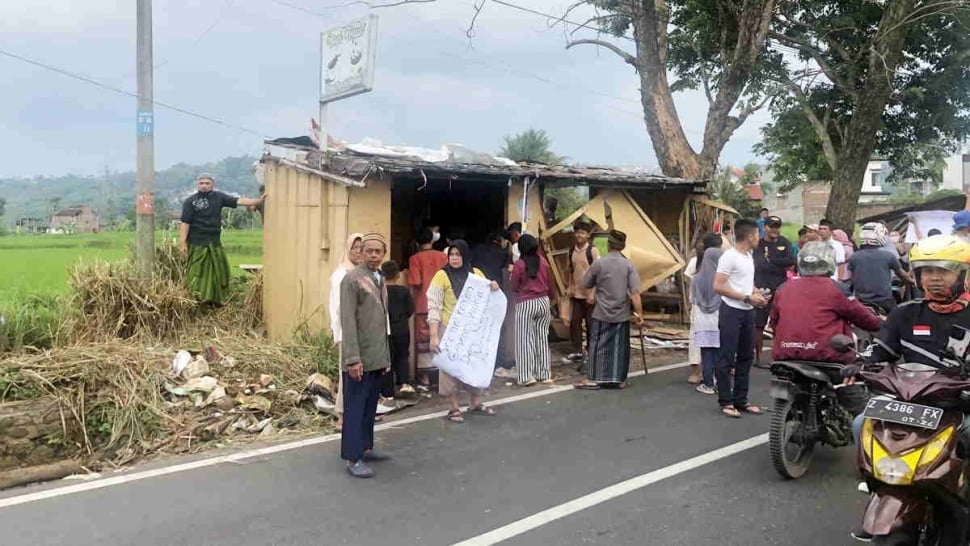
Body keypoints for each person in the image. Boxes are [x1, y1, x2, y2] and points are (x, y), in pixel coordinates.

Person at [844, 235, 970, 542]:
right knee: (861, 423)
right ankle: (880, 486)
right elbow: (881, 352)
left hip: (960, 405)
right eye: (927, 271)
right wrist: (858, 366)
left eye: (943, 271)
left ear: (964, 275)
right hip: (912, 403)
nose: (935, 278)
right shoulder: (906, 313)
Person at [770, 242, 882, 363]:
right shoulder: (836, 288)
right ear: (829, 262)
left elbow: (774, 322)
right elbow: (863, 318)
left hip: (785, 354)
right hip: (825, 356)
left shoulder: (783, 288)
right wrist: (880, 324)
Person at [427, 240, 500, 423]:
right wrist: (434, 335)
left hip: (471, 330)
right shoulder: (441, 276)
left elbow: (487, 297)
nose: (454, 258)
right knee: (449, 368)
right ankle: (453, 408)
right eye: (451, 254)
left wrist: (494, 287)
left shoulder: (476, 274)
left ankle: (475, 402)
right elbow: (434, 307)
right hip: (448, 329)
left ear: (465, 255)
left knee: (473, 364)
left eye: (458, 254)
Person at [339, 233, 393, 479]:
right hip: (359, 357)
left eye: (377, 251)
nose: (373, 255)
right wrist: (352, 359)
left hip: (376, 355)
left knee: (370, 406)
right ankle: (353, 456)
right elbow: (348, 322)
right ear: (360, 252)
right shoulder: (351, 280)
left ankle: (366, 447)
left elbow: (382, 322)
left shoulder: (380, 278)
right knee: (355, 407)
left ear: (383, 254)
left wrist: (385, 357)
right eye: (368, 250)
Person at [573, 230, 644, 390]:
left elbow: (586, 283)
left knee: (598, 346)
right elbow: (635, 293)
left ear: (608, 244)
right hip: (621, 314)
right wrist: (639, 314)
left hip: (601, 313)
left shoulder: (599, 263)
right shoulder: (629, 265)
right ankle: (619, 380)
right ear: (623, 246)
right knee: (620, 347)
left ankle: (594, 378)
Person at [713, 218, 769, 418]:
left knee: (746, 356)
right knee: (726, 357)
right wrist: (746, 297)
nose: (760, 238)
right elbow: (718, 286)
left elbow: (745, 281)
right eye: (758, 234)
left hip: (747, 311)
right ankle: (726, 401)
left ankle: (741, 400)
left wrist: (755, 293)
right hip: (731, 310)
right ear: (750, 236)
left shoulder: (748, 256)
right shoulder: (730, 256)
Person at [179, 173, 264, 305]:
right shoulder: (190, 202)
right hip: (197, 243)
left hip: (214, 242)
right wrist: (182, 243)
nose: (204, 186)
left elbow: (239, 201)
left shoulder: (219, 197)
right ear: (197, 184)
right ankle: (195, 299)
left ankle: (215, 300)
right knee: (197, 271)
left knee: (220, 271)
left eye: (207, 183)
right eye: (201, 183)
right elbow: (185, 223)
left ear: (212, 184)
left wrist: (258, 201)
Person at [510, 234, 557, 386]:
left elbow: (514, 286)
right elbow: (550, 282)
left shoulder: (519, 264)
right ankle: (544, 374)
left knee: (524, 340)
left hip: (526, 303)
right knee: (542, 339)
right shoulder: (543, 261)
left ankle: (526, 376)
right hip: (543, 302)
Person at [329, 232, 364, 433]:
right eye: (354, 248)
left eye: (361, 248)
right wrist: (340, 334)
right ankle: (342, 416)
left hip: (363, 333)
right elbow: (337, 307)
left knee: (361, 375)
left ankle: (355, 415)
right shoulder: (341, 275)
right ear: (347, 250)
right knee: (347, 375)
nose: (358, 252)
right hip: (348, 333)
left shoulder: (364, 274)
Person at [753, 215, 797, 368]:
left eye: (777, 226)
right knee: (758, 324)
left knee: (780, 323)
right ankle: (758, 357)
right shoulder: (758, 243)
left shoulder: (785, 242)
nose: (774, 229)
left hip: (780, 288)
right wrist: (777, 263)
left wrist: (771, 260)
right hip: (761, 288)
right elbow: (759, 264)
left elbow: (791, 261)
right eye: (771, 226)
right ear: (765, 227)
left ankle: (778, 355)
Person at [408, 228, 448, 391]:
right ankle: (442, 375)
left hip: (423, 304)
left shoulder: (415, 259)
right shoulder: (443, 257)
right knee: (443, 338)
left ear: (417, 243)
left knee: (423, 341)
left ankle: (425, 376)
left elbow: (415, 281)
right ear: (432, 240)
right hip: (443, 304)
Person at [472, 230, 516, 378]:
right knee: (496, 329)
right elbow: (510, 262)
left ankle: (478, 361)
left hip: (479, 294)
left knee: (480, 328)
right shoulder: (502, 253)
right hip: (496, 294)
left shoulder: (477, 250)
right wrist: (509, 247)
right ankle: (497, 361)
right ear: (500, 240)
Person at [850, 222, 914, 313]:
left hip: (861, 301)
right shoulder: (889, 256)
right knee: (898, 319)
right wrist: (914, 282)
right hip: (884, 301)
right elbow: (903, 276)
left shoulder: (854, 257)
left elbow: (852, 279)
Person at [686, 233, 722, 385]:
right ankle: (718, 377)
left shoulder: (696, 275)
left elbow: (691, 292)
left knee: (704, 348)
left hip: (700, 312)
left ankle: (705, 379)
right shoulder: (722, 264)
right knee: (717, 347)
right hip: (717, 312)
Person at [565, 221, 600, 363]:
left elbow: (598, 273)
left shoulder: (592, 250)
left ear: (588, 235)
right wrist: (569, 287)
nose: (579, 235)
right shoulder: (571, 250)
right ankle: (577, 351)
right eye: (577, 232)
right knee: (575, 324)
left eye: (583, 233)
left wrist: (592, 294)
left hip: (590, 294)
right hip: (577, 294)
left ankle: (592, 351)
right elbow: (570, 271)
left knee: (591, 324)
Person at [381, 260, 415, 398]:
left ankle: (388, 391)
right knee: (402, 356)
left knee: (387, 359)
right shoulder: (404, 291)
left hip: (385, 330)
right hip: (402, 329)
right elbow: (410, 310)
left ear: (382, 275)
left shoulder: (380, 292)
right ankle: (404, 384)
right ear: (397, 275)